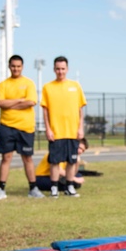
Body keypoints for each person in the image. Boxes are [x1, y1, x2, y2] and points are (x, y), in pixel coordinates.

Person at [0, 54, 44, 200]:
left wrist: (11, 103)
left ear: (22, 67)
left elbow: (30, 102)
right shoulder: (3, 84)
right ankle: (1, 189)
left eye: (18, 66)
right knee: (6, 158)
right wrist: (19, 100)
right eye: (13, 66)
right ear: (9, 66)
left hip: (25, 127)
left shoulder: (29, 83)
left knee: (27, 158)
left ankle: (33, 188)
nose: (16, 69)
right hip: (7, 126)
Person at [40, 56, 86, 197]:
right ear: (54, 69)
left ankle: (69, 187)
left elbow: (80, 110)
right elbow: (45, 111)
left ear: (67, 69)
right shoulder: (48, 87)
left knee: (71, 161)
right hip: (56, 132)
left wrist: (80, 128)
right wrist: (48, 129)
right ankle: (54, 188)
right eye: (58, 69)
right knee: (55, 161)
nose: (60, 71)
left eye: (63, 69)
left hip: (72, 132)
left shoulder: (75, 86)